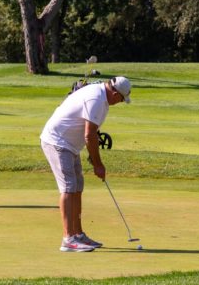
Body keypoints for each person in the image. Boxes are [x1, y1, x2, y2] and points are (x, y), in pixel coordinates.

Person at [40, 76, 132, 252]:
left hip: (70, 145)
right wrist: (98, 164)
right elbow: (89, 135)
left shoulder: (101, 96)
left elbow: (92, 132)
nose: (120, 102)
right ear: (115, 94)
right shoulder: (96, 99)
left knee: (77, 186)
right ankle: (68, 239)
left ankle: (78, 234)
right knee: (69, 187)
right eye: (121, 99)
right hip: (57, 141)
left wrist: (93, 156)